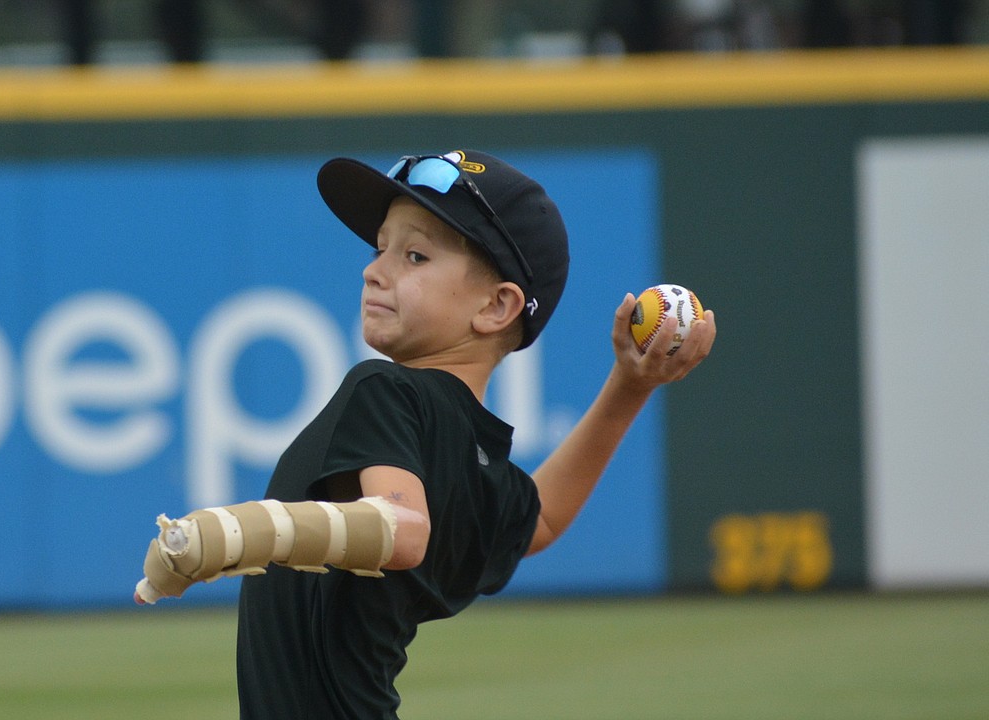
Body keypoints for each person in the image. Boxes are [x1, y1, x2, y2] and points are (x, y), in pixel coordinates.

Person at [133, 149, 716, 719]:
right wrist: (630, 387)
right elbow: (539, 522)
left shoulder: (386, 392)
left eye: (414, 256)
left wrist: (232, 532)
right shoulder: (473, 459)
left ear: (496, 306)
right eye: (379, 247)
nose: (374, 269)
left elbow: (403, 531)